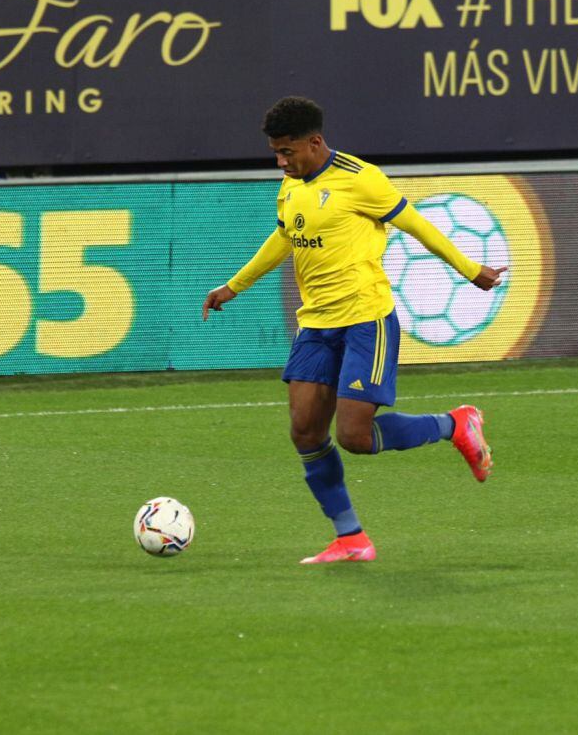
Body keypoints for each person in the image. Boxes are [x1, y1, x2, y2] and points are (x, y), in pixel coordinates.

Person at [202, 96, 506, 564]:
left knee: (355, 437)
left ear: (315, 142)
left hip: (366, 321)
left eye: (287, 152)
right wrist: (234, 286)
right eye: (276, 153)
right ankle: (351, 539)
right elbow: (285, 235)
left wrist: (470, 270)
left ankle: (454, 424)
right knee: (305, 432)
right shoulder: (292, 184)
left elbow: (417, 224)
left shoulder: (360, 178)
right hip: (315, 324)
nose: (280, 162)